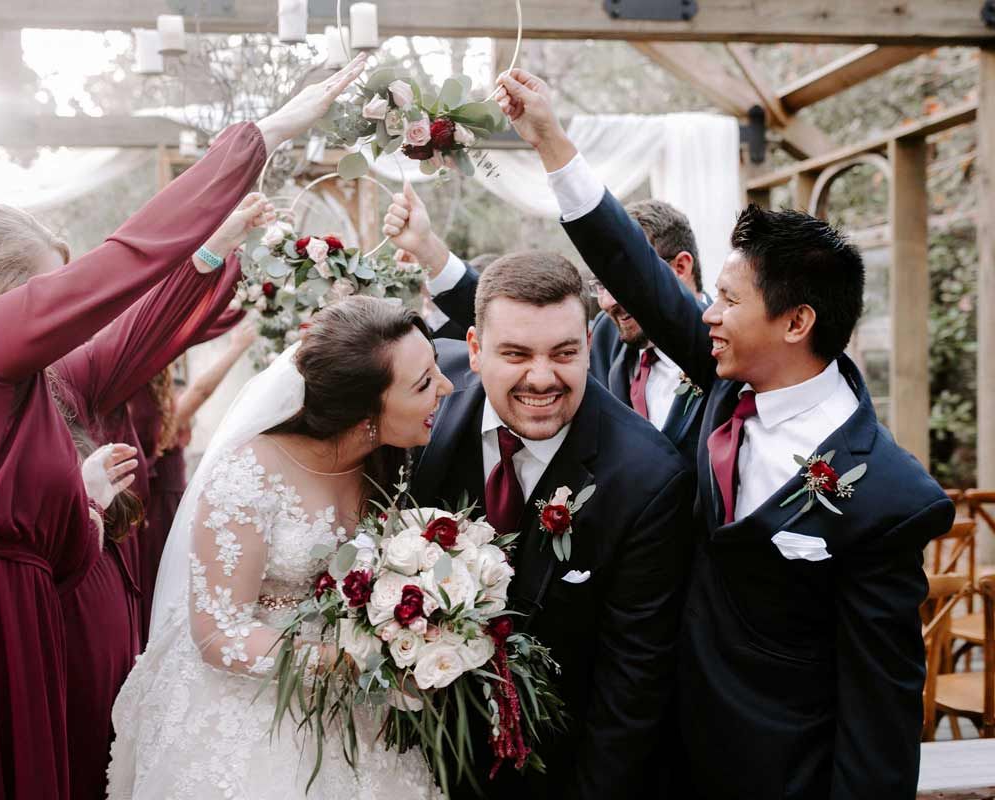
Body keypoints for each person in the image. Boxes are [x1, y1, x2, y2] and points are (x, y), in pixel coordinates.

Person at [0, 52, 366, 800]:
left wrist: (83, 507)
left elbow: (128, 331)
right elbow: (119, 267)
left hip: (9, 653)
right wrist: (260, 137)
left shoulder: (11, 385)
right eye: (46, 290)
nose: (61, 309)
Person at [493, 67, 954, 800]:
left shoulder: (892, 496)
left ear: (796, 323)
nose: (706, 313)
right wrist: (550, 140)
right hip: (662, 754)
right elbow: (637, 272)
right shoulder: (727, 380)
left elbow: (880, 709)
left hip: (776, 773)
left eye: (729, 300)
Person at [106, 296, 454, 799]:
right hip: (251, 710)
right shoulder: (248, 476)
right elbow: (217, 634)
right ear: (364, 410)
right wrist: (349, 661)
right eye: (423, 384)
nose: (445, 387)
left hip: (359, 713)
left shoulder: (390, 464)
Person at [410, 252, 695, 799]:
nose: (542, 378)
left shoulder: (647, 480)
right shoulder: (423, 402)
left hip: (552, 770)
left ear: (589, 345)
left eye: (564, 353)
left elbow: (632, 690)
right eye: (515, 354)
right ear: (473, 349)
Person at [51, 195, 274, 799]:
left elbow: (187, 320)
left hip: (131, 518)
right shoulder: (81, 373)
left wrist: (228, 252)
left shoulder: (121, 367)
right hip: (117, 528)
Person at [383, 189, 708, 461]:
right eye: (601, 285)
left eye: (623, 284)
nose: (608, 302)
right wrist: (426, 247)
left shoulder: (725, 348)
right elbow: (513, 321)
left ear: (679, 268)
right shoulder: (607, 335)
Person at [129, 317, 258, 642]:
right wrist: (236, 349)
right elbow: (201, 391)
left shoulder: (158, 399)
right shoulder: (156, 414)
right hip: (161, 511)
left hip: (167, 503)